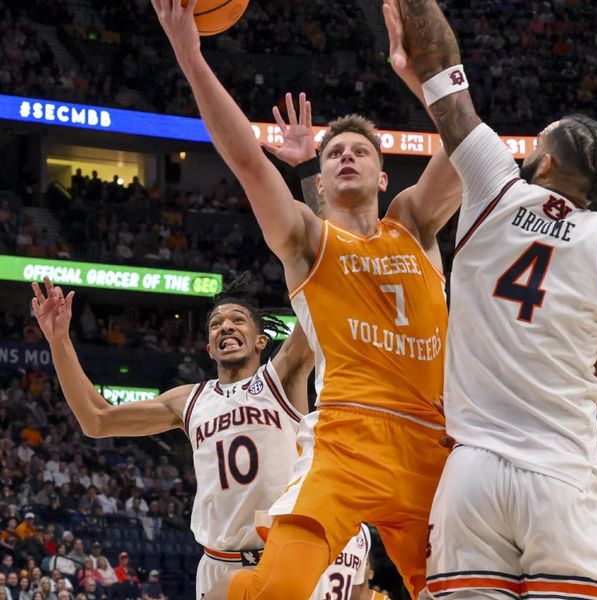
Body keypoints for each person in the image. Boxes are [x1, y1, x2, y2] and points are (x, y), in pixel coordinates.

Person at [151, 1, 465, 598]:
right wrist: (192, 59)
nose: (346, 155)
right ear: (319, 182)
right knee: (279, 589)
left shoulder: (415, 224)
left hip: (432, 443)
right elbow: (246, 160)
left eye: (360, 152)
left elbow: (465, 139)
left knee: (462, 591)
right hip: (346, 438)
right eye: (333, 153)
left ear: (383, 177)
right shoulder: (308, 239)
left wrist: (423, 76)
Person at [388, 0, 597, 597]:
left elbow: (445, 74)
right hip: (561, 474)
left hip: (473, 470)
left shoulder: (498, 191)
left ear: (545, 162)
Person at [31, 276, 311, 599]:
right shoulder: (190, 400)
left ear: (261, 340)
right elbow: (96, 420)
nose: (226, 327)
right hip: (220, 566)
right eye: (216, 324)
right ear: (209, 348)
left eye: (238, 320)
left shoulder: (282, 376)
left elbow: (320, 303)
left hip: (284, 558)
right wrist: (59, 341)